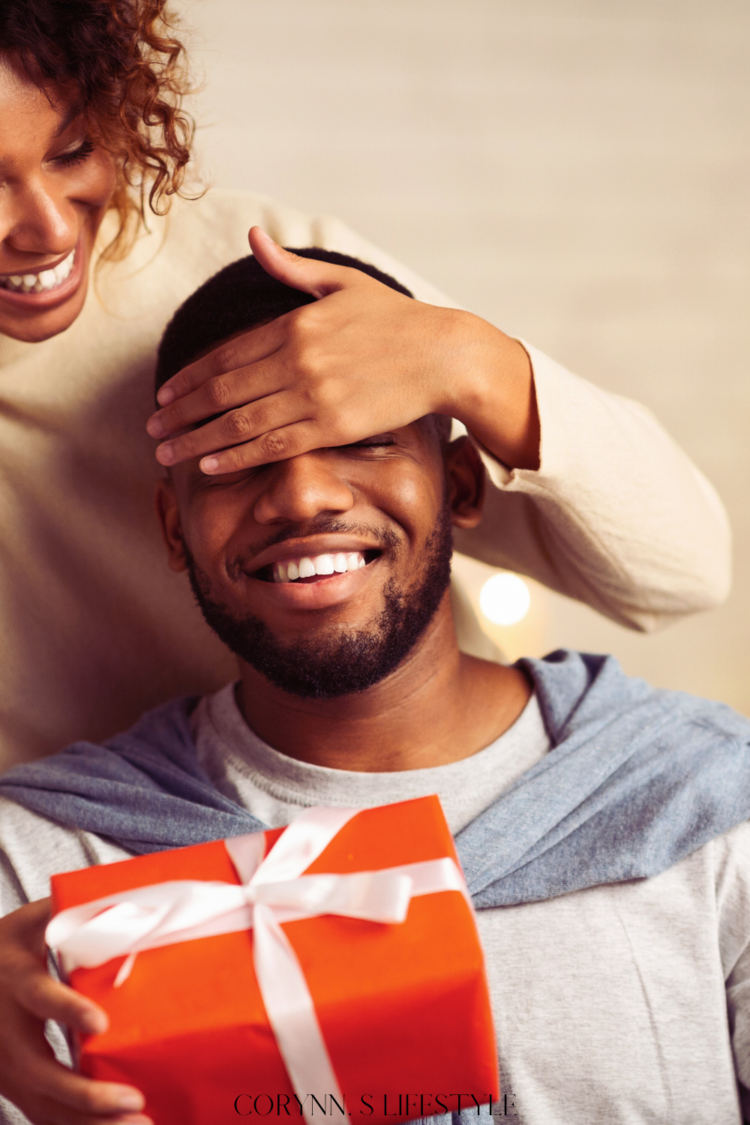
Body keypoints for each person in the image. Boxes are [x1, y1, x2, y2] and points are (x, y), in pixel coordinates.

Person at [1, 252, 749, 1125]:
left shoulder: (708, 806)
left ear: (461, 482)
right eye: (236, 459)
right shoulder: (44, 876)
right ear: (176, 530)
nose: (306, 496)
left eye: (364, 438)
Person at [0, 1, 732, 776]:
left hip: (436, 805)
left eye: (73, 149)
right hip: (91, 859)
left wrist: (471, 360)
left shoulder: (255, 279)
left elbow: (680, 572)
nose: (47, 226)